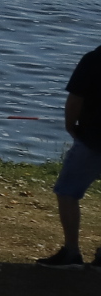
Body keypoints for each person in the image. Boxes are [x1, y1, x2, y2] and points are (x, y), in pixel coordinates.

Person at [37, 43, 101, 267]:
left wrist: (69, 124)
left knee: (67, 192)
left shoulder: (94, 59)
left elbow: (75, 99)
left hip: (95, 139)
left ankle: (71, 251)